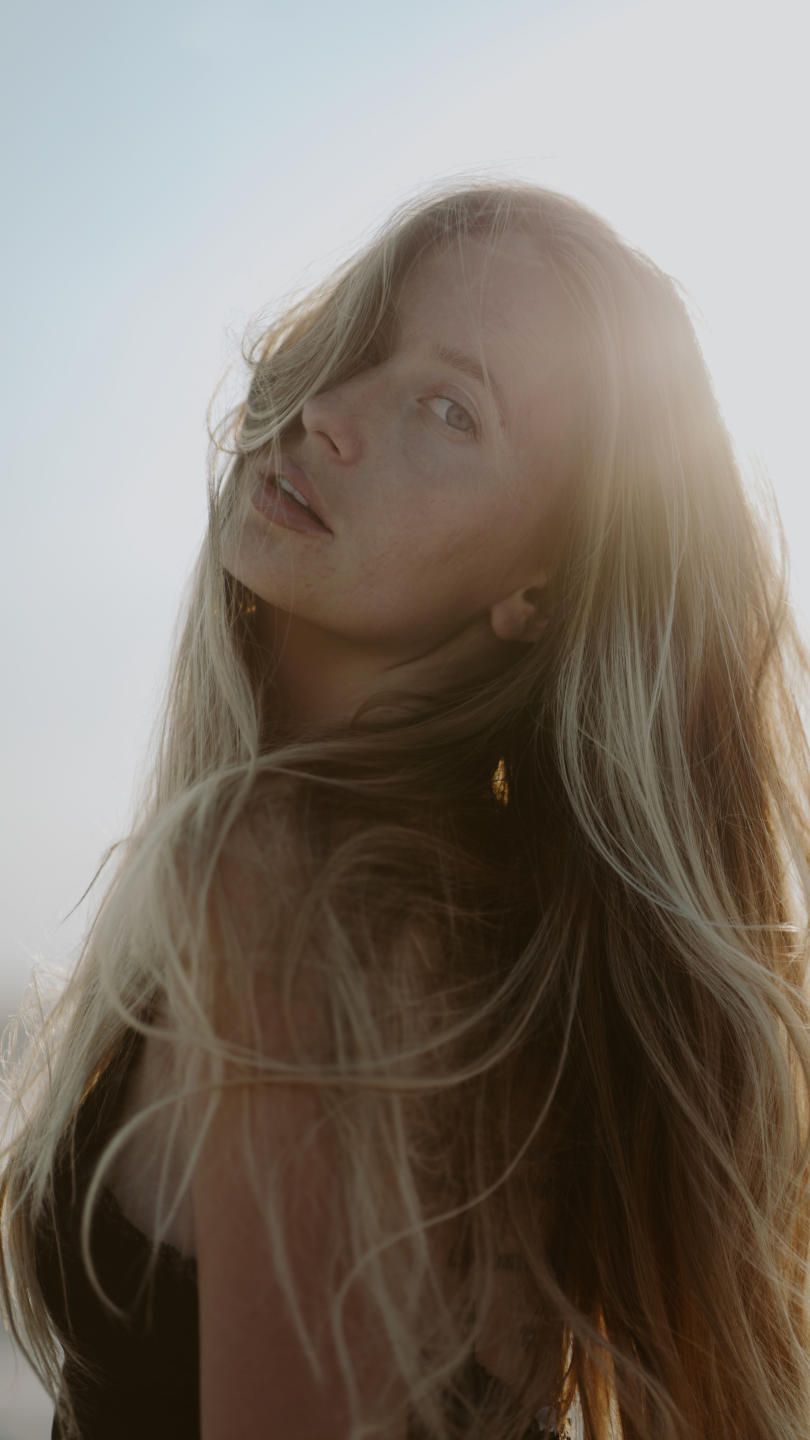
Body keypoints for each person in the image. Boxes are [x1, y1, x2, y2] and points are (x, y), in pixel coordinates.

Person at [2, 179, 810, 1440]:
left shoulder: (295, 886)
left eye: (449, 409)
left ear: (542, 586)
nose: (328, 414)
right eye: (362, 352)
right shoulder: (495, 932)